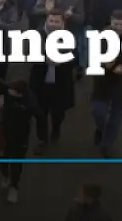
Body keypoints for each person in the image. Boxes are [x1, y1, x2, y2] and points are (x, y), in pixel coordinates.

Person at [91, 11, 122, 157]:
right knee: (98, 112)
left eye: (121, 24)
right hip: (103, 81)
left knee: (116, 116)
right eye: (116, 24)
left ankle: (107, 145)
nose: (118, 27)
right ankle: (100, 129)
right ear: (111, 22)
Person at [30, 11, 76, 153]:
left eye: (57, 22)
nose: (54, 24)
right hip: (40, 82)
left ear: (63, 23)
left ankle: (56, 129)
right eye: (51, 21)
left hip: (60, 83)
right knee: (40, 114)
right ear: (47, 20)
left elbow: (76, 59)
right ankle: (43, 140)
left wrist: (61, 61)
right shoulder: (37, 35)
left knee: (58, 113)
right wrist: (43, 58)